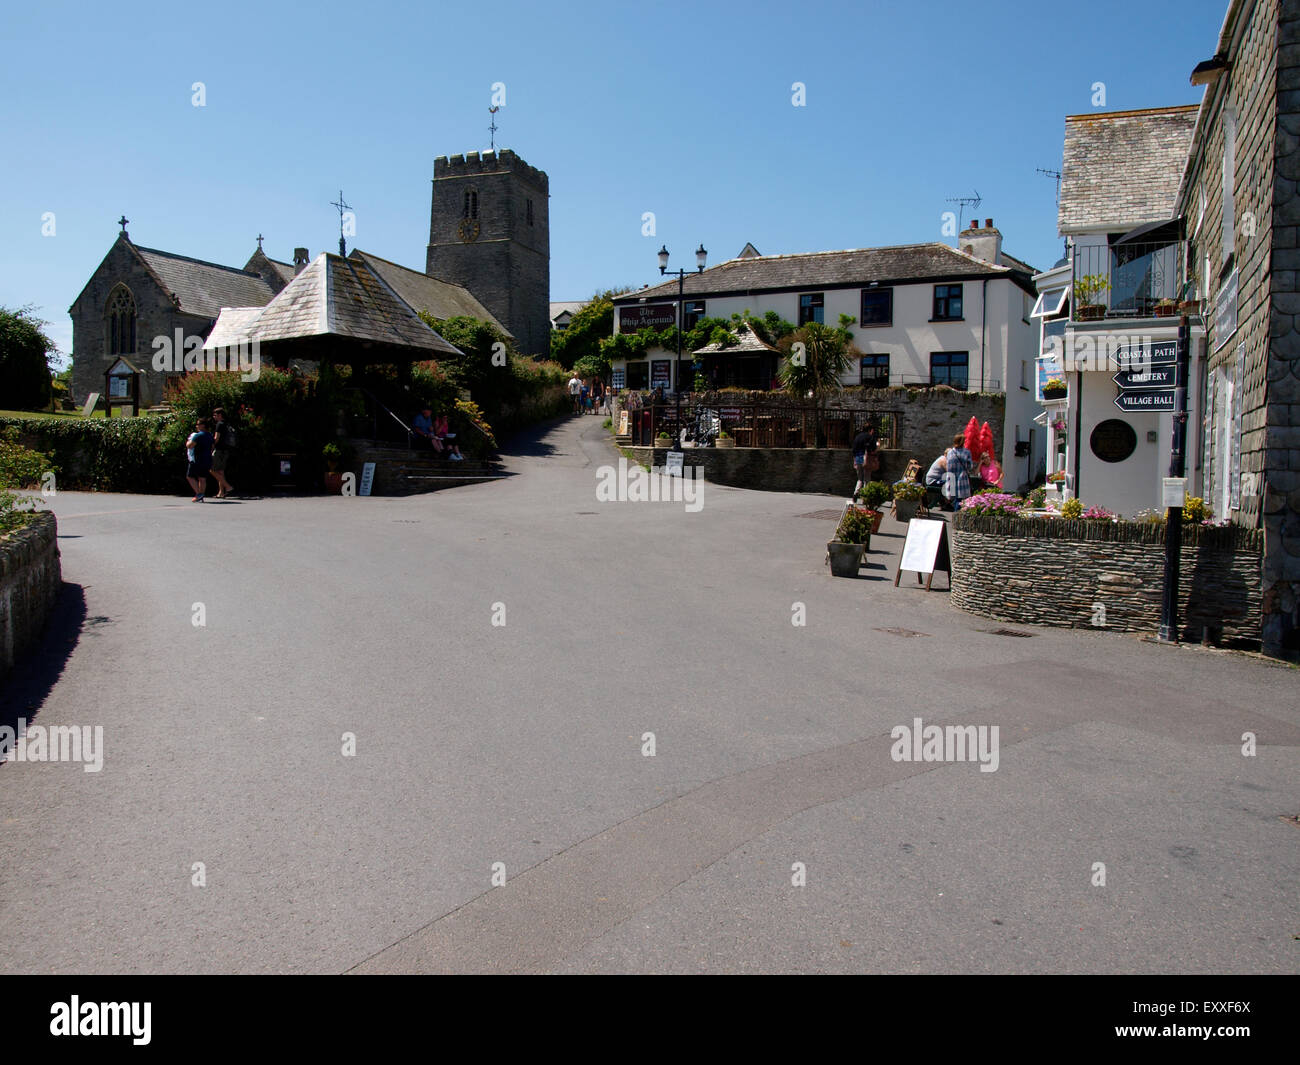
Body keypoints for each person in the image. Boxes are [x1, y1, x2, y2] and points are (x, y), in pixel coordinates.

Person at [942, 433, 973, 513]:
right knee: (961, 500)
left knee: (955, 499)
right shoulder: (966, 452)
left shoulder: (950, 452)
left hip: (952, 477)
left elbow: (948, 467)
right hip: (962, 478)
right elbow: (970, 467)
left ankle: (956, 515)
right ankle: (957, 517)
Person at [185, 418, 214, 502]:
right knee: (202, 478)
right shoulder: (209, 435)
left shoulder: (198, 435)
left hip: (197, 459)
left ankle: (199, 494)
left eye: (198, 424)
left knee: (190, 476)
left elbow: (190, 445)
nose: (196, 426)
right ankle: (201, 494)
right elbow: (212, 447)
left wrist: (188, 441)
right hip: (207, 459)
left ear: (203, 425)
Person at [210, 407, 236, 498]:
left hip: (219, 450)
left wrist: (211, 447)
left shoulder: (219, 424)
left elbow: (216, 438)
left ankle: (228, 487)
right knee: (220, 471)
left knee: (212, 469)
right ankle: (221, 492)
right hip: (226, 450)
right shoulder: (227, 424)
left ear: (220, 415)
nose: (214, 417)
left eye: (215, 415)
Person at [851, 420, 880, 495]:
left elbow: (853, 449)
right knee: (867, 479)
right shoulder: (870, 437)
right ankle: (865, 496)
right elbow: (873, 449)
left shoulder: (858, 437)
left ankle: (856, 492)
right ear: (870, 430)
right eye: (872, 430)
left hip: (857, 459)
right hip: (866, 459)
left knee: (860, 478)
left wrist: (855, 458)